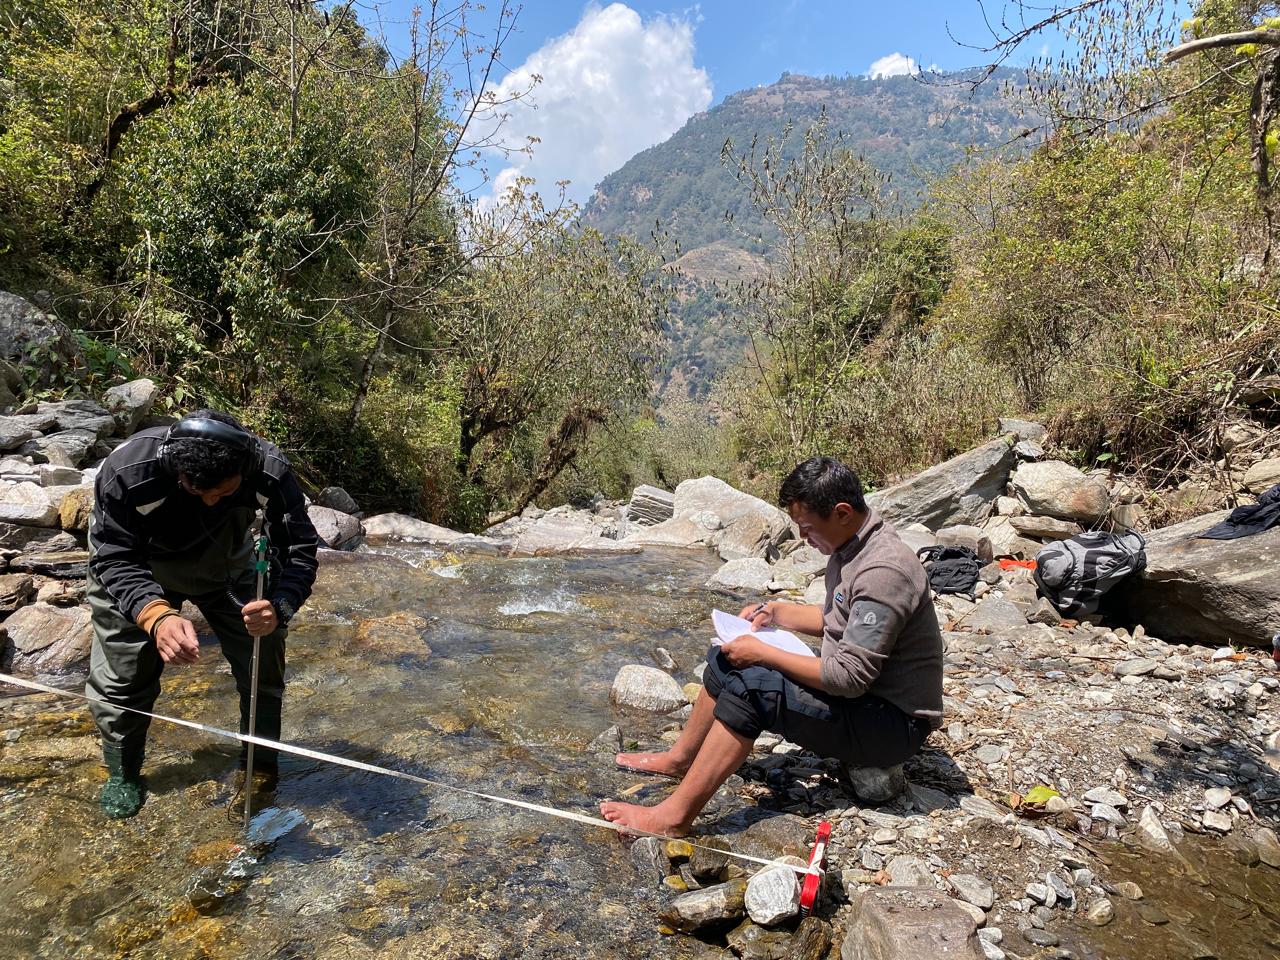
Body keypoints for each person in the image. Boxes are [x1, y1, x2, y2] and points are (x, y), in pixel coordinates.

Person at [601, 456, 943, 836]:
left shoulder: (883, 571)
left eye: (807, 527)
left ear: (842, 512)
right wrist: (776, 612)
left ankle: (673, 818)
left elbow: (848, 678)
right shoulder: (851, 546)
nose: (803, 538)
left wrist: (763, 652)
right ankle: (680, 759)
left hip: (892, 725)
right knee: (726, 656)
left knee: (753, 688)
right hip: (866, 700)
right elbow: (838, 616)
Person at [85, 409, 319, 819]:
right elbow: (114, 556)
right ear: (176, 470)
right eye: (198, 492)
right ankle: (123, 771)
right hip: (138, 567)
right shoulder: (128, 470)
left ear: (244, 471)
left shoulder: (270, 472)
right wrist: (155, 614)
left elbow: (299, 550)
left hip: (228, 565)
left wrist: (280, 606)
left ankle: (260, 766)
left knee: (262, 663)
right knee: (121, 677)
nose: (211, 500)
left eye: (223, 493)